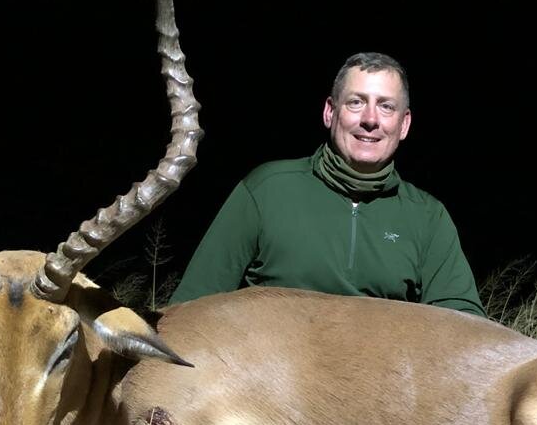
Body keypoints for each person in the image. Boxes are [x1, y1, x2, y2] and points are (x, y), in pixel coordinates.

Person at [168, 52, 485, 317]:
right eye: (356, 103)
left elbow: (464, 325)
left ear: (404, 125)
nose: (371, 119)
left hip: (378, 383)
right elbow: (190, 307)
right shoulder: (266, 190)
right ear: (330, 112)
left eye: (386, 106)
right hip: (269, 382)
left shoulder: (427, 217)